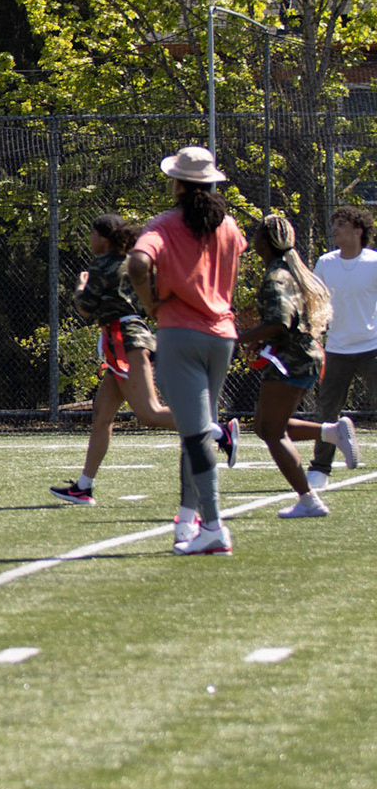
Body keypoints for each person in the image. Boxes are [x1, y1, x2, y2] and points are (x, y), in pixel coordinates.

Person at [52, 213, 235, 505]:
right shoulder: (134, 262)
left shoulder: (102, 264)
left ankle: (218, 431)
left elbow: (85, 308)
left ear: (104, 237)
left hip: (124, 339)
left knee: (149, 413)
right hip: (130, 336)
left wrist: (80, 285)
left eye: (93, 234)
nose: (90, 240)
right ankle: (83, 487)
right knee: (101, 416)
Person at [127, 146, 247, 556]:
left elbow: (138, 264)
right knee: (195, 430)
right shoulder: (228, 225)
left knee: (195, 435)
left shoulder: (163, 223)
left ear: (177, 183)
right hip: (222, 334)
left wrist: (150, 302)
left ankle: (212, 526)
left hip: (181, 333)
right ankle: (186, 519)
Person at [238, 214, 359, 517]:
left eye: (257, 234)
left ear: (265, 241)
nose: (253, 240)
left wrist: (239, 338)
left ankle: (308, 499)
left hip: (289, 360)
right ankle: (331, 432)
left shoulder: (276, 277)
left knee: (273, 432)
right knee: (264, 425)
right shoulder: (288, 270)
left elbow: (280, 322)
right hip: (300, 356)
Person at [306, 206, 377, 491]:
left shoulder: (374, 262)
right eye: (334, 223)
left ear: (358, 231)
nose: (334, 229)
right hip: (336, 350)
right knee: (328, 411)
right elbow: (314, 301)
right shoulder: (326, 263)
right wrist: (313, 333)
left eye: (342, 224)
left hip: (372, 348)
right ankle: (320, 469)